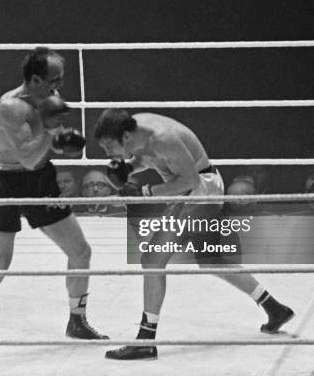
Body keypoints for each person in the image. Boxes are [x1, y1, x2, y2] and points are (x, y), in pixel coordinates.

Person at [0, 47, 107, 372]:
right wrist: (49, 130)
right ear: (34, 79)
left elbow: (45, 152)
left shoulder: (49, 100)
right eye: (53, 81)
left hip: (40, 179)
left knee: (80, 251)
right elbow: (27, 157)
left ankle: (77, 320)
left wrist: (65, 140)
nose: (58, 88)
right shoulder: (10, 107)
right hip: (7, 180)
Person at [94, 109, 294, 360]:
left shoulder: (164, 138)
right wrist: (129, 168)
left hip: (200, 191)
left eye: (109, 147)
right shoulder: (138, 130)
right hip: (196, 191)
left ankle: (145, 341)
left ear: (124, 137)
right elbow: (153, 160)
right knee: (210, 259)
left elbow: (188, 181)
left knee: (153, 260)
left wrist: (145, 192)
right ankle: (274, 308)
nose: (108, 154)